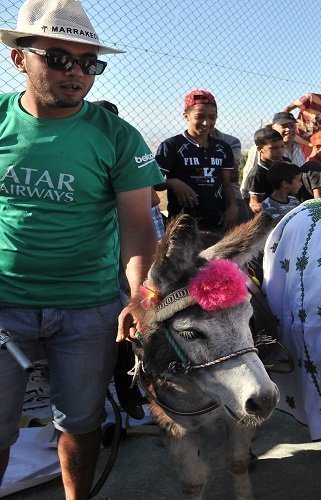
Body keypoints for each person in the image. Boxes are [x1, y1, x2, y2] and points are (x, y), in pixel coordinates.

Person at [0, 0, 163, 497]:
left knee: (80, 422)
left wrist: (139, 295)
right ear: (19, 59)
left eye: (89, 63)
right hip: (5, 304)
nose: (77, 73)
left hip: (88, 308)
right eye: (58, 58)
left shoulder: (115, 136)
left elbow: (137, 227)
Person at [155, 89, 239, 234]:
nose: (206, 122)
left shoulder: (222, 148)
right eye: (199, 116)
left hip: (217, 222)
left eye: (212, 117)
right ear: (186, 116)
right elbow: (153, 182)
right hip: (182, 225)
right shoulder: (172, 145)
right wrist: (173, 182)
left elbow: (226, 183)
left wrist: (232, 206)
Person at [239, 112, 306, 201]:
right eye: (284, 126)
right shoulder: (259, 150)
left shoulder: (299, 148)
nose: (289, 129)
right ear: (273, 127)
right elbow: (249, 173)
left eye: (292, 126)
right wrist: (245, 198)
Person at [284, 76, 321, 157]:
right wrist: (283, 125)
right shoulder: (311, 97)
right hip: (296, 139)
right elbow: (288, 108)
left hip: (312, 145)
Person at [246, 127, 286, 213]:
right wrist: (275, 209)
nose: (280, 151)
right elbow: (254, 204)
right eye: (274, 148)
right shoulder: (257, 174)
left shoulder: (286, 163)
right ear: (260, 149)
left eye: (282, 146)